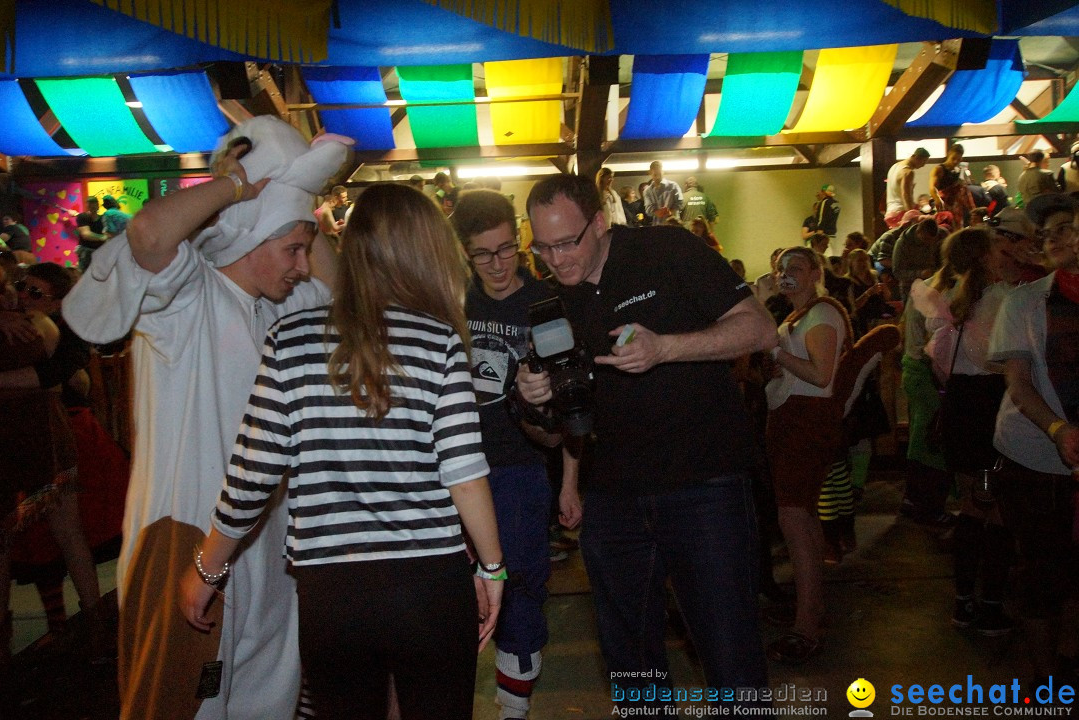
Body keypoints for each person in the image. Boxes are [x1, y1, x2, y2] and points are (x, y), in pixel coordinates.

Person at [61, 116, 351, 720]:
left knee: (265, 694)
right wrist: (239, 188)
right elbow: (146, 234)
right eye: (292, 249)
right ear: (249, 239)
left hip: (267, 543)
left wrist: (302, 204)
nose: (303, 264)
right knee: (177, 702)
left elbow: (339, 291)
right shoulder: (185, 294)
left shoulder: (284, 305)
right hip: (186, 535)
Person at [180, 183, 504, 720]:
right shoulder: (438, 341)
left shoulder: (291, 339)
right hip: (429, 586)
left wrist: (206, 569)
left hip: (333, 594)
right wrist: (492, 569)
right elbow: (464, 474)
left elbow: (252, 473)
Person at [515, 173, 775, 710]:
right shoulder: (547, 303)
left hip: (702, 483)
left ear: (601, 221)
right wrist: (532, 397)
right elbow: (548, 432)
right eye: (543, 247)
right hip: (611, 497)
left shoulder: (666, 249)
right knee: (630, 664)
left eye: (568, 243)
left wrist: (666, 348)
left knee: (729, 653)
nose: (556, 260)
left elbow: (758, 329)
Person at [451, 189, 579, 720]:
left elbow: (573, 401)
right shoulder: (451, 298)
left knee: (521, 584)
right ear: (464, 252)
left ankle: (512, 708)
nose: (498, 265)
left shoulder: (546, 304)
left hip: (520, 468)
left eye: (507, 249)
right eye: (483, 254)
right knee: (452, 594)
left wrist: (570, 481)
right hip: (452, 470)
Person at [988, 192, 1079, 689]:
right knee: (1044, 569)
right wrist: (1060, 430)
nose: (1054, 238)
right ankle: (1046, 683)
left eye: (1065, 226)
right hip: (1034, 453)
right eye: (1047, 233)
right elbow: (1019, 384)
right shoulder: (1025, 300)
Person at [0, 264, 105, 667]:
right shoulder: (23, 320)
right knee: (21, 545)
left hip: (55, 436)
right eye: (21, 286)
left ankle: (92, 628)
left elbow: (54, 375)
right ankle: (53, 628)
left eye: (36, 292)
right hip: (24, 439)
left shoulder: (63, 328)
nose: (24, 294)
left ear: (59, 300)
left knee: (63, 532)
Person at [912, 228, 1013, 637]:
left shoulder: (950, 301)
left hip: (960, 408)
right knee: (998, 510)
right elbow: (1003, 363)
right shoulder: (1003, 299)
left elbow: (941, 363)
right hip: (990, 409)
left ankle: (963, 602)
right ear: (988, 257)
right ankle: (990, 606)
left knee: (974, 504)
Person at [764, 246, 850, 662]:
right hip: (793, 421)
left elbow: (820, 374)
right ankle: (812, 610)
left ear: (816, 272)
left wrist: (777, 352)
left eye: (796, 268)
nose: (786, 274)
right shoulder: (798, 316)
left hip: (805, 424)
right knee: (804, 518)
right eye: (782, 268)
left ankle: (805, 626)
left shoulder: (822, 314)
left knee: (794, 518)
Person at [885, 148, 931, 228]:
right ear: (915, 157)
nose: (923, 166)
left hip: (890, 212)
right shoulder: (908, 172)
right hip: (901, 211)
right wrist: (912, 215)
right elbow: (905, 194)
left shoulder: (894, 167)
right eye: (923, 162)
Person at [930, 145, 974, 228]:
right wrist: (937, 198)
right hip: (943, 204)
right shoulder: (939, 169)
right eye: (953, 158)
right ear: (949, 154)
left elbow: (963, 190)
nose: (955, 161)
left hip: (956, 207)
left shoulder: (958, 171)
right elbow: (932, 187)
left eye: (958, 160)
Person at [642, 161, 683, 225]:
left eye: (659, 174)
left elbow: (680, 203)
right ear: (650, 173)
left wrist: (670, 211)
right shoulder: (647, 191)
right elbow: (648, 210)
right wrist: (658, 212)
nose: (657, 177)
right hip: (658, 226)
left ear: (663, 172)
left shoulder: (673, 186)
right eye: (655, 175)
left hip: (673, 224)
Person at [74, 196, 108, 270]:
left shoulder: (103, 218)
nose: (93, 207)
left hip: (101, 252)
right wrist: (103, 237)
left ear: (98, 205)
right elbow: (86, 234)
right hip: (86, 253)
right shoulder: (82, 217)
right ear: (87, 206)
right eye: (90, 204)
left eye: (94, 204)